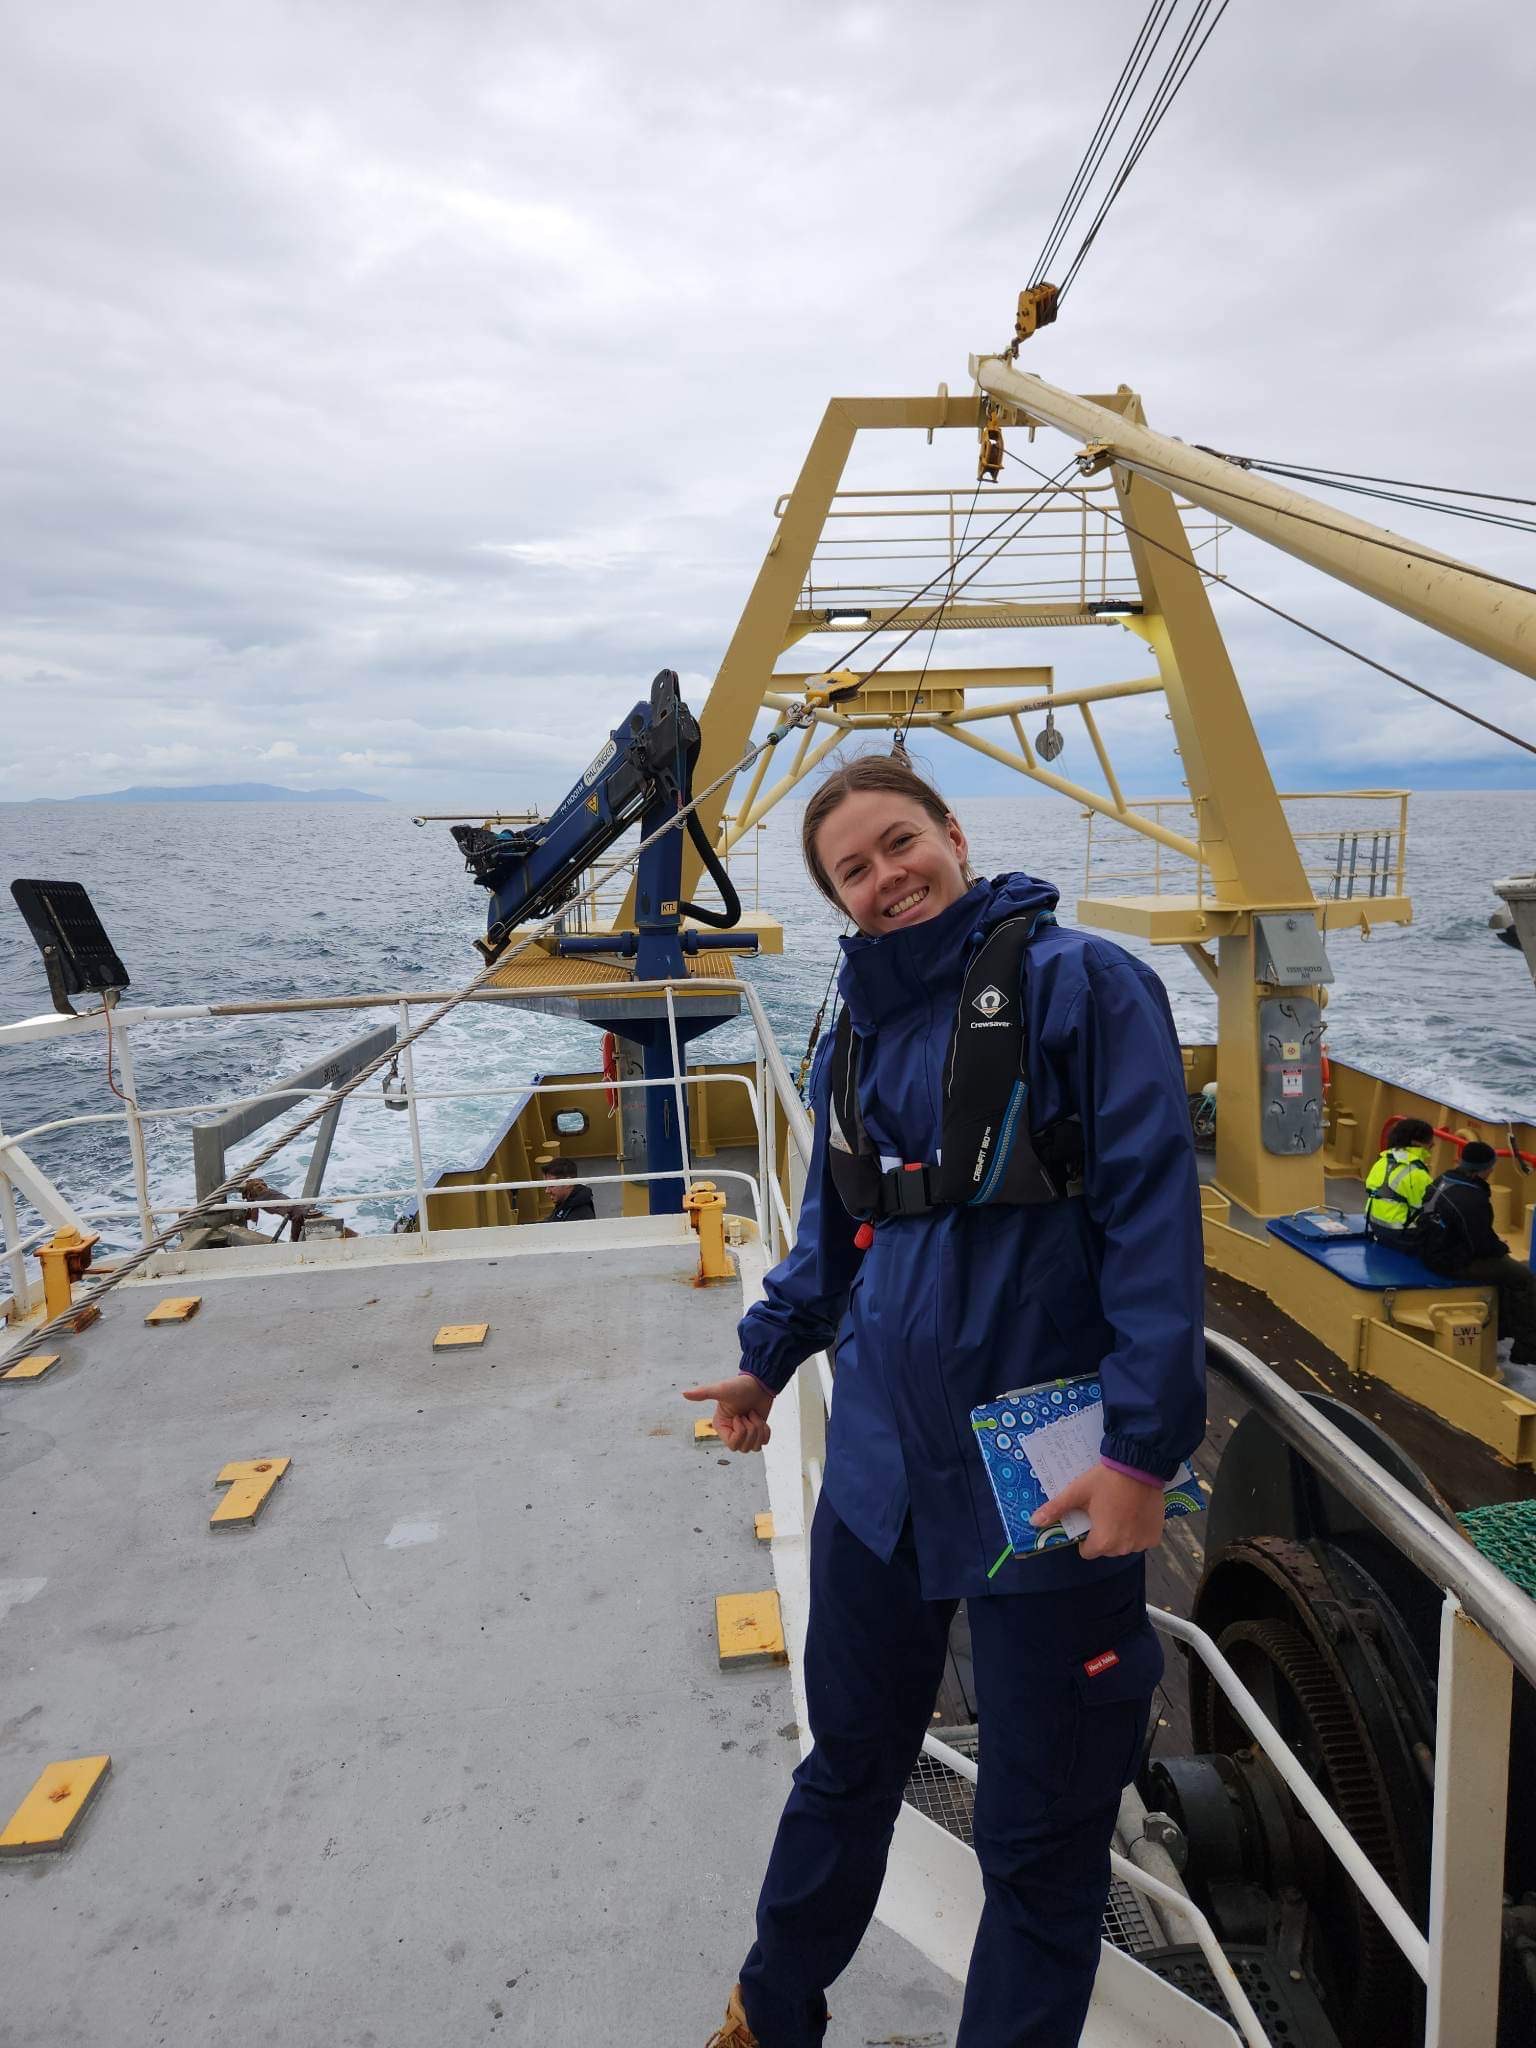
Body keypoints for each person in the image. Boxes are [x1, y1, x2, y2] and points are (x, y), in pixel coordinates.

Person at [684, 755, 1206, 2048]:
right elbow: (830, 1230)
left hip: (1050, 1482)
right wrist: (768, 1358)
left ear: (955, 837)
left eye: (899, 842)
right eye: (853, 870)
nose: (886, 877)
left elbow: (1153, 1227)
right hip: (879, 1475)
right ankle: (770, 2011)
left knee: (1040, 1838)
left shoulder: (1083, 988)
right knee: (847, 1766)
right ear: (838, 899)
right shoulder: (851, 1027)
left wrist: (1143, 1452)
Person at [1413, 1140, 1536, 1365]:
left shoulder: (1442, 1180)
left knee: (1506, 1271)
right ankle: (1527, 1348)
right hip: (1449, 1261)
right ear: (1487, 1169)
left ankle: (1502, 1328)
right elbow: (1481, 1245)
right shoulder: (1473, 1199)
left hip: (1430, 1249)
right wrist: (1502, 1249)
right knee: (1525, 1277)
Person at [1363, 1117, 1435, 1245]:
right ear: (1417, 1143)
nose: (1433, 1145)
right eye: (1430, 1142)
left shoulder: (1383, 1160)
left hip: (1375, 1224)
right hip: (1401, 1233)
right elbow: (1428, 1208)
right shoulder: (1417, 1173)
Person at [540, 1157, 596, 1223]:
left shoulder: (580, 1218)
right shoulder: (565, 1202)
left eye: (552, 1185)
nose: (547, 1191)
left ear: (568, 1183)